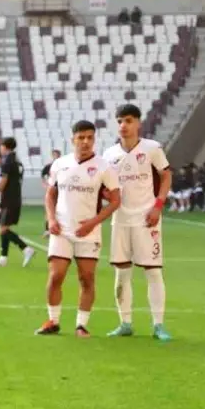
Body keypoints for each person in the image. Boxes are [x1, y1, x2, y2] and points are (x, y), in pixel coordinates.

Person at [36, 121, 121, 337]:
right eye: (81, 137)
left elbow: (115, 201)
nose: (86, 142)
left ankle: (81, 325)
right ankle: (53, 321)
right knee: (56, 275)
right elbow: (50, 194)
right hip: (62, 230)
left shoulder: (104, 167)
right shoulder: (60, 164)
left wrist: (93, 222)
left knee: (86, 278)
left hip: (88, 232)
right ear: (72, 139)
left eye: (90, 138)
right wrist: (51, 219)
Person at [101, 104, 173, 341]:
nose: (124, 125)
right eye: (120, 121)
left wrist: (158, 206)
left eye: (129, 120)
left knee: (153, 271)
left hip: (146, 219)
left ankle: (159, 325)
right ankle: (125, 323)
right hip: (120, 220)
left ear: (138, 123)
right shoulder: (109, 155)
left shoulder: (152, 148)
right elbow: (106, 187)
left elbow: (166, 175)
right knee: (122, 273)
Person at [0, 137, 36, 267]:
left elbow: (4, 180)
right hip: (15, 198)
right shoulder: (18, 161)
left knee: (3, 229)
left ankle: (26, 249)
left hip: (9, 199)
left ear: (5, 147)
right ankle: (3, 258)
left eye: (1, 145)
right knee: (3, 227)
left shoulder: (8, 162)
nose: (0, 148)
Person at [39, 149, 61, 237]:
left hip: (61, 191)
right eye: (54, 155)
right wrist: (45, 186)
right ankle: (47, 229)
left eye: (57, 155)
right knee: (49, 208)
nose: (55, 157)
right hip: (52, 191)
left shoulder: (63, 166)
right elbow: (43, 178)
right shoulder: (48, 167)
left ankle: (58, 227)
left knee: (60, 209)